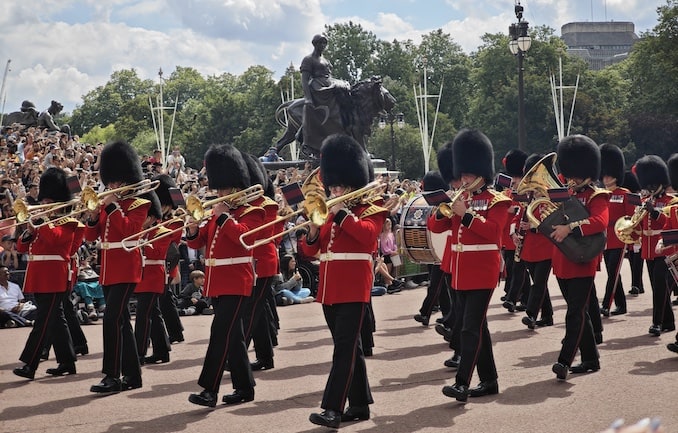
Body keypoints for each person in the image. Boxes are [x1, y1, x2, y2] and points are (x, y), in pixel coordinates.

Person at [300, 134, 388, 429]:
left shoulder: (373, 208)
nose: (335, 189)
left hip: (353, 288)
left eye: (340, 185)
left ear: (353, 184)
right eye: (332, 185)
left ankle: (333, 409)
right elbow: (311, 250)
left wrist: (342, 215)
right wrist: (313, 231)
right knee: (351, 349)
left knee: (343, 351)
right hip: (329, 289)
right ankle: (360, 404)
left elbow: (366, 237)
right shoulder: (327, 213)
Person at [186, 143, 263, 408]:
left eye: (224, 188)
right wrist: (194, 228)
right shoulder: (217, 212)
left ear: (237, 186)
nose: (219, 193)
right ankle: (245, 387)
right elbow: (198, 244)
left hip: (238, 281)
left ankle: (209, 390)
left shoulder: (252, 211)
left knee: (220, 333)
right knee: (233, 337)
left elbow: (244, 238)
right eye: (218, 188)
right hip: (218, 283)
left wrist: (223, 218)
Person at [438, 129, 511, 402]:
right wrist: (443, 207)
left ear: (482, 173)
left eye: (468, 174)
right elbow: (437, 224)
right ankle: (489, 380)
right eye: (462, 174)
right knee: (478, 328)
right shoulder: (461, 198)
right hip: (460, 272)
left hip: (482, 272)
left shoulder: (498, 201)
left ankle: (461, 383)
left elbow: (494, 233)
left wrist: (466, 215)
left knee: (469, 329)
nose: (464, 179)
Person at [85, 141, 151, 393]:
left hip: (127, 268)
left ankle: (112, 375)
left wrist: (111, 206)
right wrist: (92, 218)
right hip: (108, 269)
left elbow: (129, 231)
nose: (111, 186)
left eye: (116, 181)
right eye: (110, 182)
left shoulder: (139, 204)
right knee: (121, 321)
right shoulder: (105, 204)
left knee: (111, 318)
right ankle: (133, 376)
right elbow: (92, 238)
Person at [549, 135, 609, 381]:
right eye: (569, 174)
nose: (571, 178)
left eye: (575, 174)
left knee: (574, 313)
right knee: (580, 312)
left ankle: (564, 360)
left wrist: (571, 227)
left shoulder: (598, 196)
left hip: (583, 260)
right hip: (563, 259)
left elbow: (600, 222)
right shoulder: (562, 194)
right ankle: (591, 359)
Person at [12, 167, 80, 380]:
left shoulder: (69, 223)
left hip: (54, 276)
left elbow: (57, 241)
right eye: (43, 200)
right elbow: (23, 249)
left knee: (43, 322)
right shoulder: (42, 223)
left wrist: (41, 224)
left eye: (48, 201)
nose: (43, 205)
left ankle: (29, 364)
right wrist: (29, 231)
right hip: (38, 276)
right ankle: (67, 361)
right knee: (56, 320)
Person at [133, 191, 173, 365]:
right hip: (142, 278)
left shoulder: (162, 231)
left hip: (153, 278)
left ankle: (138, 353)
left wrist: (141, 241)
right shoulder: (142, 231)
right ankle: (162, 351)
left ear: (151, 217)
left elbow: (158, 253)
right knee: (154, 314)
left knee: (143, 316)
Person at [517, 154, 555, 330]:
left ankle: (531, 313)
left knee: (538, 283)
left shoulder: (550, 197)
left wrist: (534, 227)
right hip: (530, 248)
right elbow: (519, 216)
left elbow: (554, 221)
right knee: (539, 283)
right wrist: (517, 230)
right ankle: (547, 316)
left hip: (546, 247)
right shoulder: (530, 196)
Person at [599, 144, 634, 316]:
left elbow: (632, 218)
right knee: (614, 274)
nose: (605, 178)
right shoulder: (600, 194)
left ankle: (606, 304)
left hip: (619, 238)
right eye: (603, 174)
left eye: (609, 174)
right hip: (605, 239)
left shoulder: (625, 193)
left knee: (613, 273)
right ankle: (621, 305)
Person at [300, 34, 351, 150]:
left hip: (329, 83)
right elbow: (304, 79)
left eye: (324, 43)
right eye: (320, 43)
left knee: (346, 88)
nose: (323, 45)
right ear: (315, 44)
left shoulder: (325, 60)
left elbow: (329, 76)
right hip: (318, 88)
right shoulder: (308, 59)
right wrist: (308, 98)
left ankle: (348, 123)